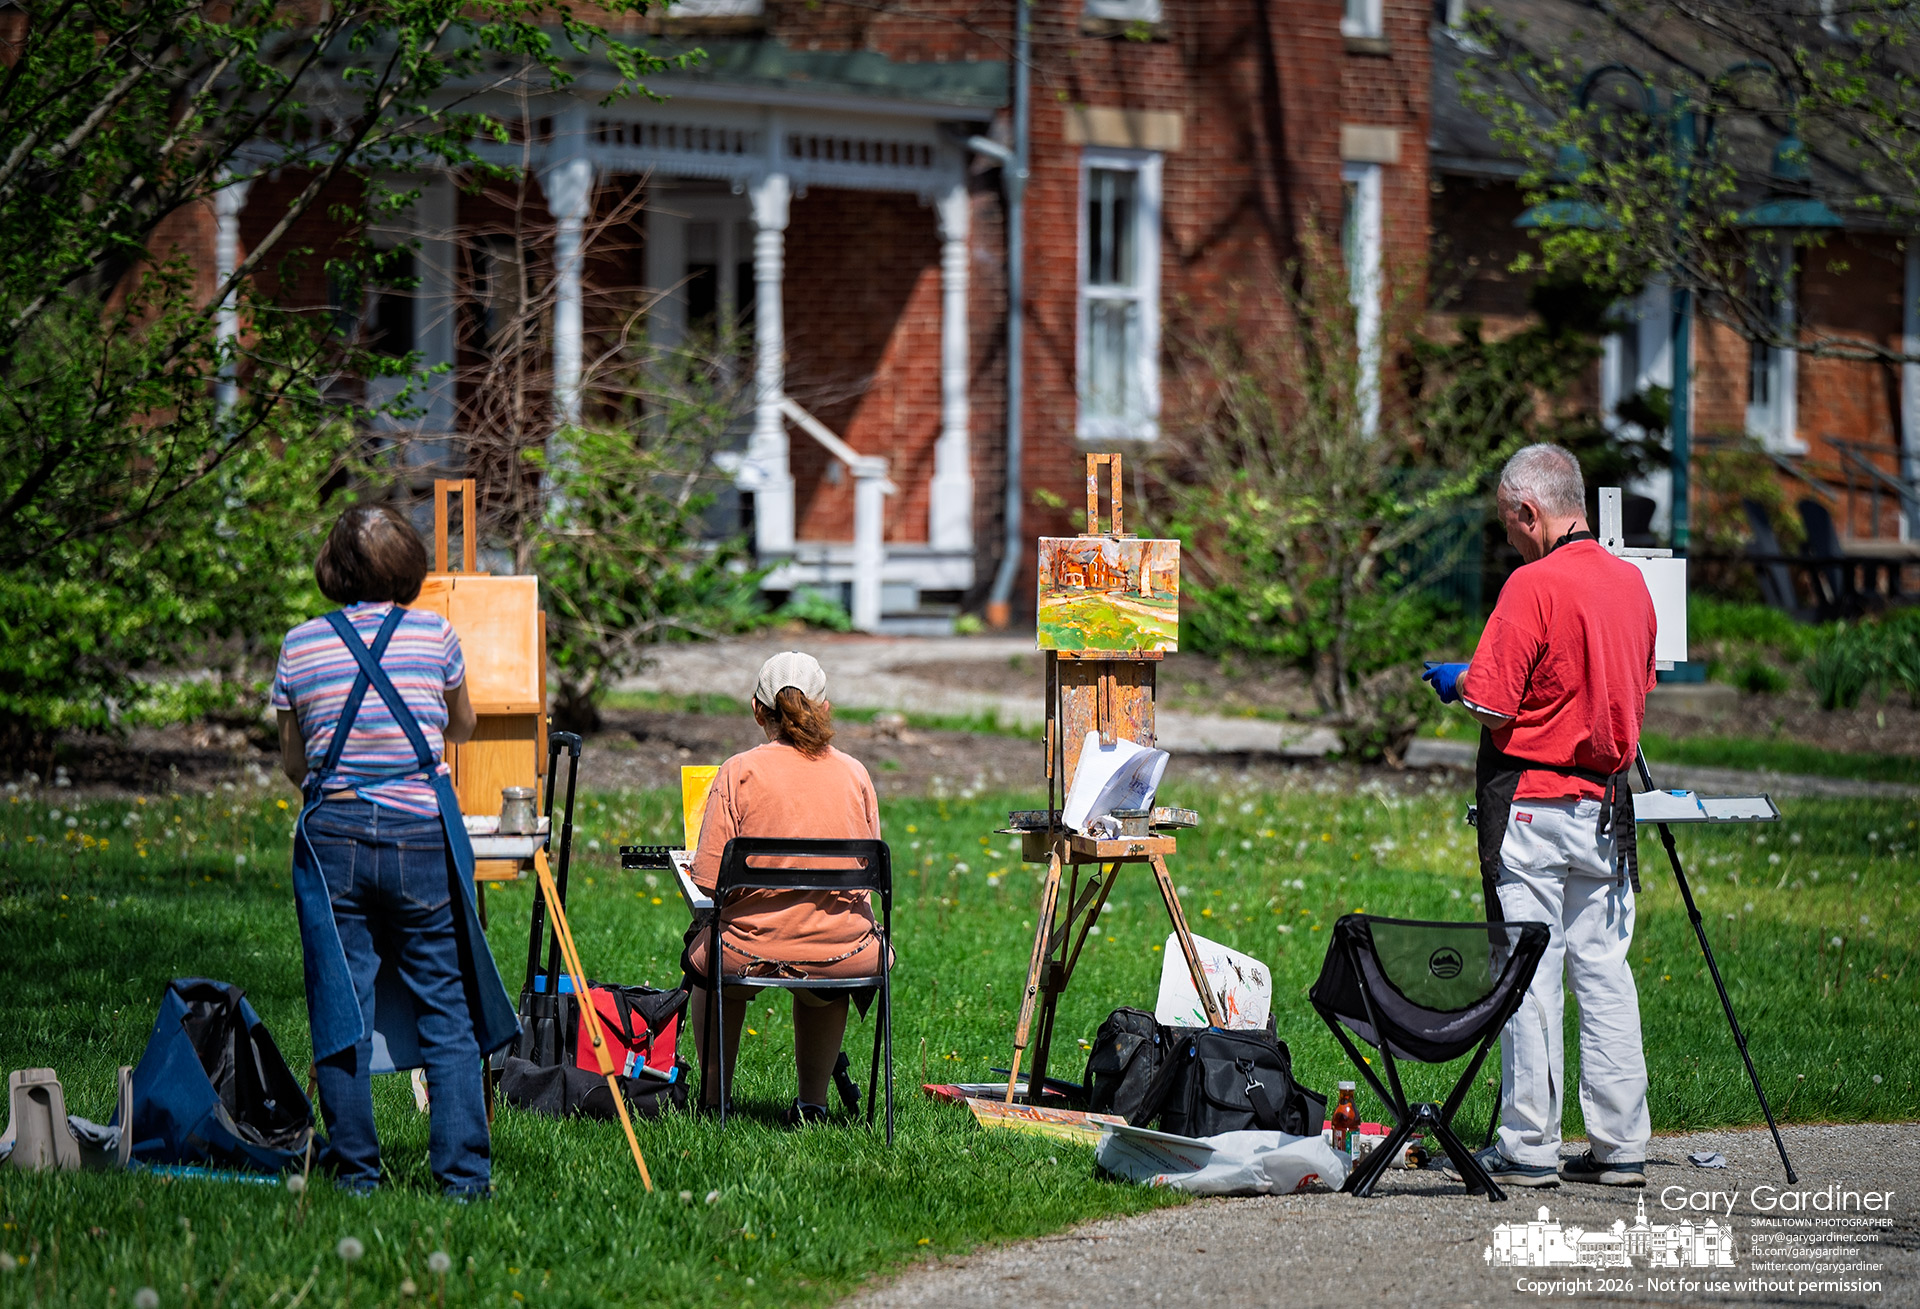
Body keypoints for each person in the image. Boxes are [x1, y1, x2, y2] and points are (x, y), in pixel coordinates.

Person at [1422, 444, 1656, 1190]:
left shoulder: (1532, 584)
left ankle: (1528, 1143)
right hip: (1608, 807)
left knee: (1529, 973)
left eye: (1509, 525)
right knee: (1606, 974)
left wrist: (1458, 679)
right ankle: (1621, 1145)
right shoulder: (1634, 586)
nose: (1511, 539)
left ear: (1531, 511)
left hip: (1531, 804)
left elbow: (1493, 701)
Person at [274, 504, 518, 1197]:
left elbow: (296, 761)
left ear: (333, 570)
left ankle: (356, 1176)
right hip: (419, 835)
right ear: (409, 564)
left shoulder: (301, 644)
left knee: (340, 1005)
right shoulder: (435, 634)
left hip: (334, 838)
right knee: (447, 1007)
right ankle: (464, 1179)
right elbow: (461, 725)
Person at [683, 651, 887, 1126]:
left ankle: (715, 1100)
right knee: (825, 973)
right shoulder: (856, 774)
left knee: (707, 959)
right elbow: (868, 871)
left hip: (747, 949)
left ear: (758, 710)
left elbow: (709, 882)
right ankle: (813, 1104)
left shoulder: (737, 771)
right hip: (843, 952)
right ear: (825, 706)